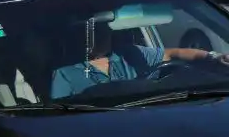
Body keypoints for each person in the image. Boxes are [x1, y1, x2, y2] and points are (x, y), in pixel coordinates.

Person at [50, 19, 229, 100]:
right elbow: (59, 113)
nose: (104, 36)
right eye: (96, 32)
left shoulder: (131, 54)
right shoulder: (65, 73)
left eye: (106, 30)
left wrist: (214, 57)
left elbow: (174, 54)